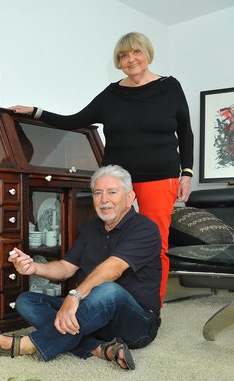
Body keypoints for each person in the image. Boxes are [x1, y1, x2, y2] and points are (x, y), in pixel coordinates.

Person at [10, 32, 193, 305]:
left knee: (156, 244)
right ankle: (112, 301)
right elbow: (75, 120)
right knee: (113, 242)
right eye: (123, 56)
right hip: (117, 179)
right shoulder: (112, 94)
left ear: (147, 53)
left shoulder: (170, 87)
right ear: (118, 62)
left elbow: (185, 133)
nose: (131, 60)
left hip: (160, 177)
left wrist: (187, 174)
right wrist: (36, 111)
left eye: (136, 52)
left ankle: (151, 307)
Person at [0, 165, 162, 370]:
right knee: (26, 301)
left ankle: (27, 345)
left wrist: (74, 296)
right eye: (98, 193)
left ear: (129, 196)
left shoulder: (145, 228)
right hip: (91, 315)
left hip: (137, 323)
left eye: (112, 192)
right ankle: (98, 348)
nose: (104, 199)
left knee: (108, 290)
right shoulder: (92, 228)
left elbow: (113, 269)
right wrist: (34, 268)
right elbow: (66, 267)